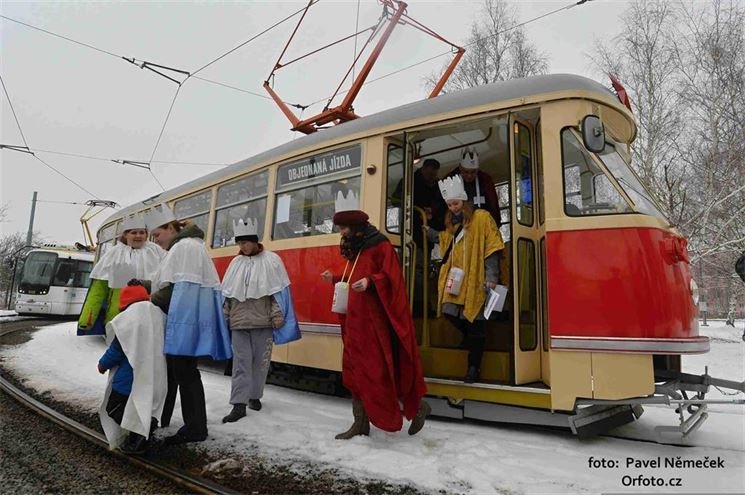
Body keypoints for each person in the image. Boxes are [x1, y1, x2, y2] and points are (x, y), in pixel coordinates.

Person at [320, 191, 430, 439]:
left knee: (376, 371)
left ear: (356, 226)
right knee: (354, 371)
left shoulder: (379, 245)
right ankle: (360, 422)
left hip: (373, 323)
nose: (341, 233)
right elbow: (352, 277)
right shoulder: (356, 247)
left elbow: (392, 279)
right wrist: (335, 278)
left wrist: (371, 282)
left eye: (344, 228)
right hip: (354, 321)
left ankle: (417, 407)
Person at [146, 204, 232, 445]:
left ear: (171, 228)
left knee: (184, 373)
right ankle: (172, 419)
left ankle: (195, 427)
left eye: (158, 234)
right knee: (180, 372)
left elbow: (177, 288)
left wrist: (150, 297)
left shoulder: (184, 247)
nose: (156, 240)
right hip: (186, 318)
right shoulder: (188, 246)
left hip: (183, 321)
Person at [221, 218, 299, 422]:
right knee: (240, 364)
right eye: (239, 243)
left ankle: (254, 396)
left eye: (245, 242)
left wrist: (277, 314)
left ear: (254, 241)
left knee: (260, 364)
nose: (242, 247)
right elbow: (227, 294)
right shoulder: (235, 262)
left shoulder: (271, 260)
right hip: (238, 323)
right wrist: (225, 313)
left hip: (262, 323)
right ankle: (238, 404)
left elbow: (276, 292)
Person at [435, 175, 505, 383]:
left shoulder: (482, 217)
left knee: (476, 325)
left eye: (456, 203)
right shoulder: (452, 225)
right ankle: (467, 343)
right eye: (449, 205)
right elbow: (445, 242)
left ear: (464, 201)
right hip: (457, 280)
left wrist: (491, 276)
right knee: (449, 311)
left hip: (477, 279)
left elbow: (491, 248)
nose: (453, 208)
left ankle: (473, 368)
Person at [97, 284, 167, 455]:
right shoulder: (158, 315)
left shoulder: (128, 319)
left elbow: (116, 349)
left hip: (127, 381)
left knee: (114, 408)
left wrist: (102, 364)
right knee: (141, 408)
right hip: (155, 378)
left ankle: (140, 436)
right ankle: (141, 434)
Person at [78, 213, 165, 339]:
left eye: (142, 232)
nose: (138, 236)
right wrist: (87, 319)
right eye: (134, 233)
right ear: (125, 234)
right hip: (118, 313)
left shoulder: (156, 252)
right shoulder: (114, 254)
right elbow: (98, 290)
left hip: (150, 309)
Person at [446, 147, 501, 227]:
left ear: (477, 170)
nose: (469, 176)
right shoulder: (450, 180)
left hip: (483, 226)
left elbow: (493, 206)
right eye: (466, 172)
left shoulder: (485, 181)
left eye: (473, 172)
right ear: (460, 168)